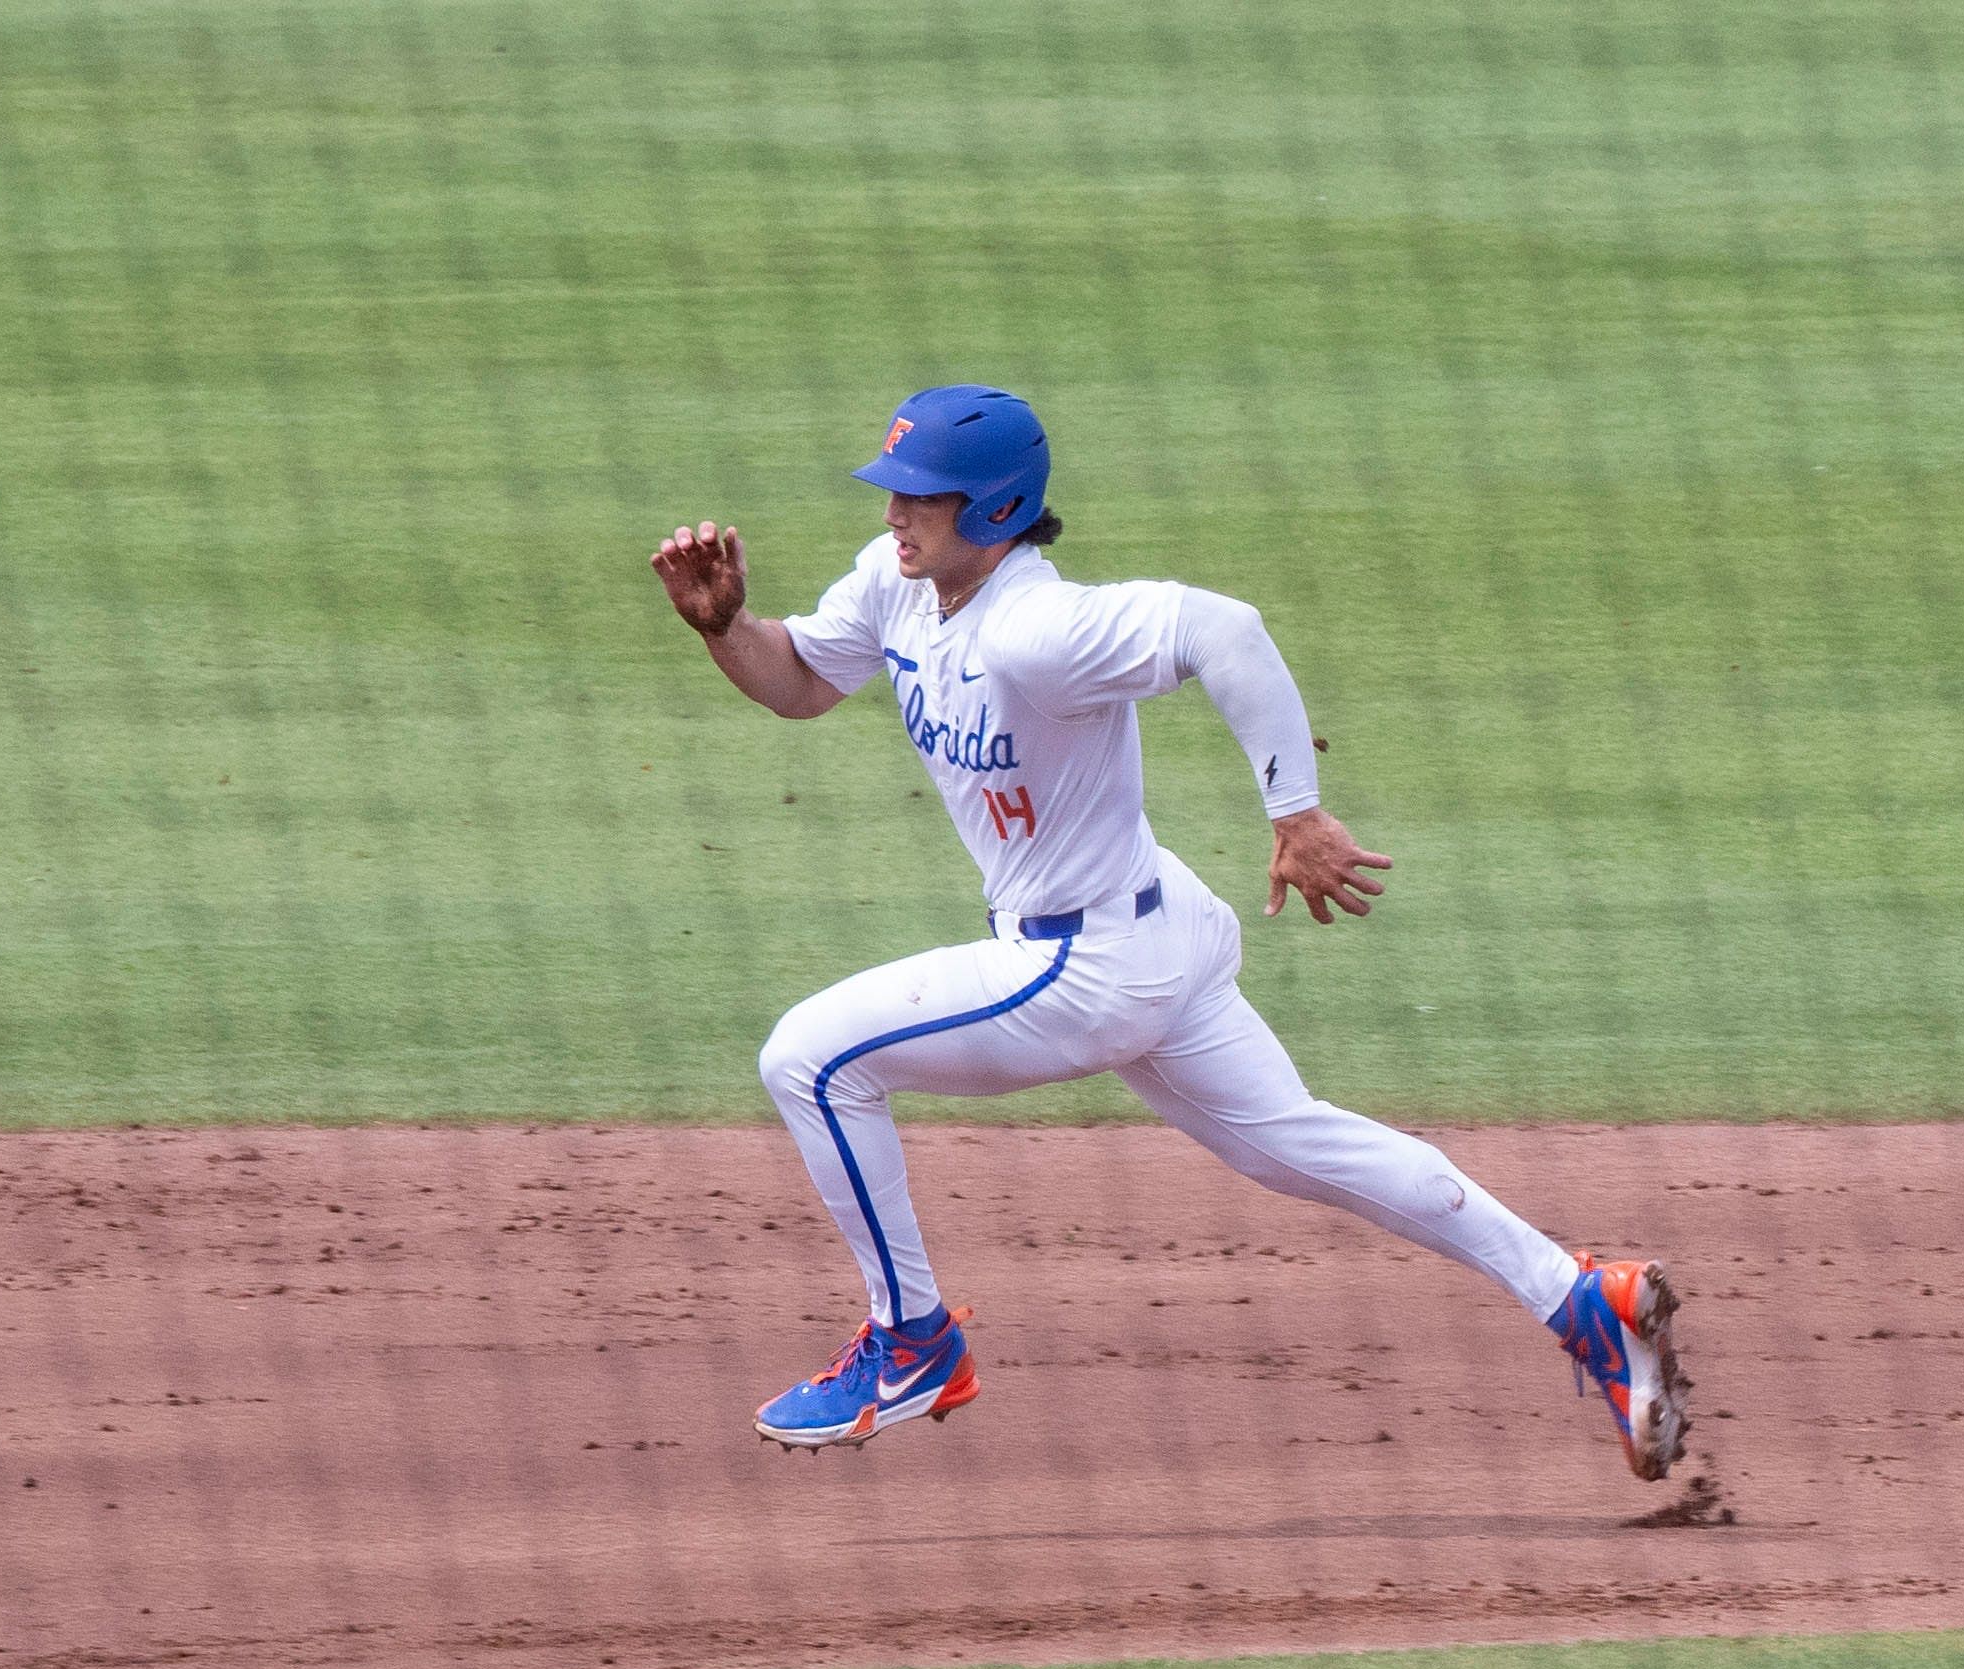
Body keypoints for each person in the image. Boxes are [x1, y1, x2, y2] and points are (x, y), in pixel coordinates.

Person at [647, 385, 1689, 1479]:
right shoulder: (895, 586)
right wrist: (726, 627)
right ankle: (1581, 1300)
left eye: (922, 497)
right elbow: (800, 683)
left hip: (1081, 964)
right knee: (1295, 1142)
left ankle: (911, 1343)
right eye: (892, 491)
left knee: (808, 1059)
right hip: (1150, 929)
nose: (896, 513)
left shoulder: (1036, 627)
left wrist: (1294, 812)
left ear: (994, 511)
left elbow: (1222, 629)